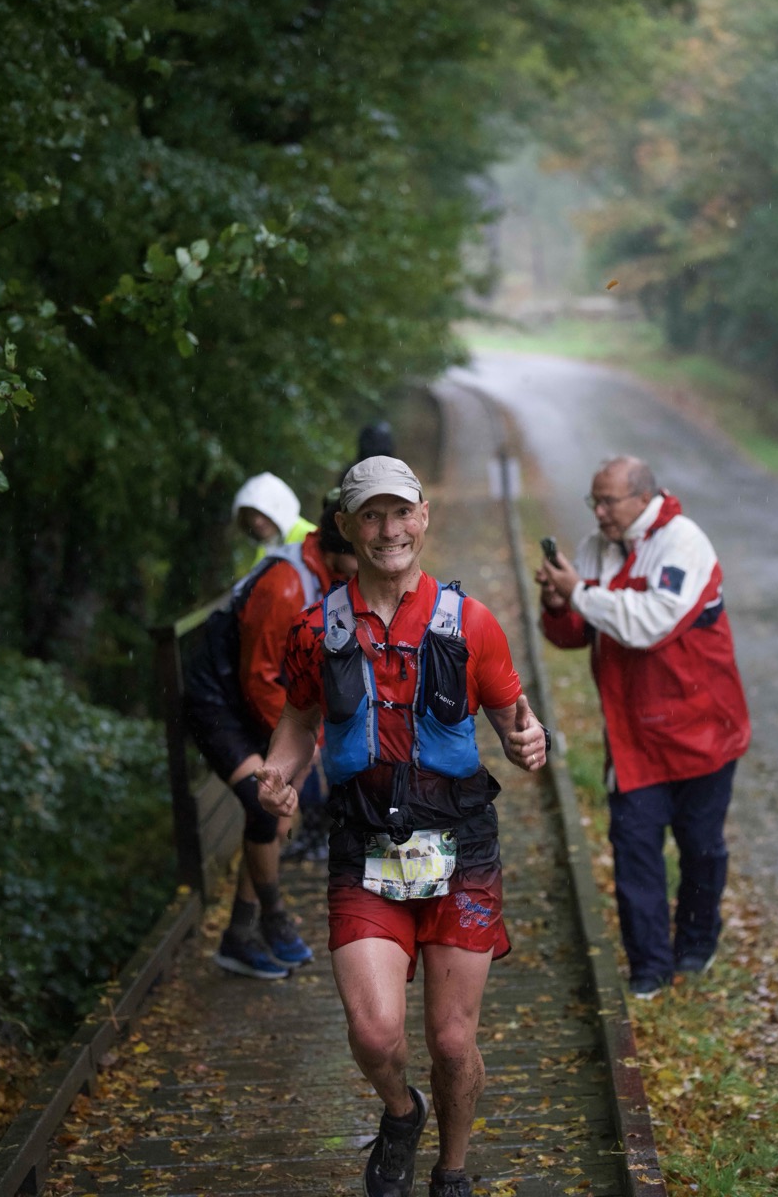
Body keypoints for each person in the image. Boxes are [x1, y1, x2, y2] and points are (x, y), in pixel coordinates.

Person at [256, 455, 548, 1197]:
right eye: (371, 516)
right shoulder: (314, 630)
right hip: (362, 844)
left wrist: (529, 742)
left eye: (400, 513)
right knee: (374, 1032)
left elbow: (514, 718)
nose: (389, 531)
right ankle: (400, 1111)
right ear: (347, 526)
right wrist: (278, 776)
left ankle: (451, 1170)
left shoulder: (471, 624)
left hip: (461, 846)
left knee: (451, 1041)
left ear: (422, 518)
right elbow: (297, 723)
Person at [535, 455, 751, 1000]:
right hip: (633, 735)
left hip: (703, 730)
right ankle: (649, 966)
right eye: (594, 501)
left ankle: (697, 942)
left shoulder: (683, 544)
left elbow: (651, 623)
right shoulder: (596, 547)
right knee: (633, 847)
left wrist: (579, 593)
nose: (599, 512)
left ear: (643, 498)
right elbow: (579, 631)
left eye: (608, 501)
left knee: (700, 846)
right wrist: (559, 603)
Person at [184, 499, 358, 980]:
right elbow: (260, 677)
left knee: (277, 817)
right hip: (216, 702)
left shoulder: (329, 576)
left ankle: (239, 937)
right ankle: (274, 919)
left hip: (250, 700)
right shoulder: (286, 586)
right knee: (265, 806)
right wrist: (303, 746)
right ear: (339, 549)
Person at [231, 471, 315, 576]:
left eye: (263, 513)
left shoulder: (311, 537)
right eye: (252, 515)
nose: (257, 522)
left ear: (277, 509)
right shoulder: (263, 551)